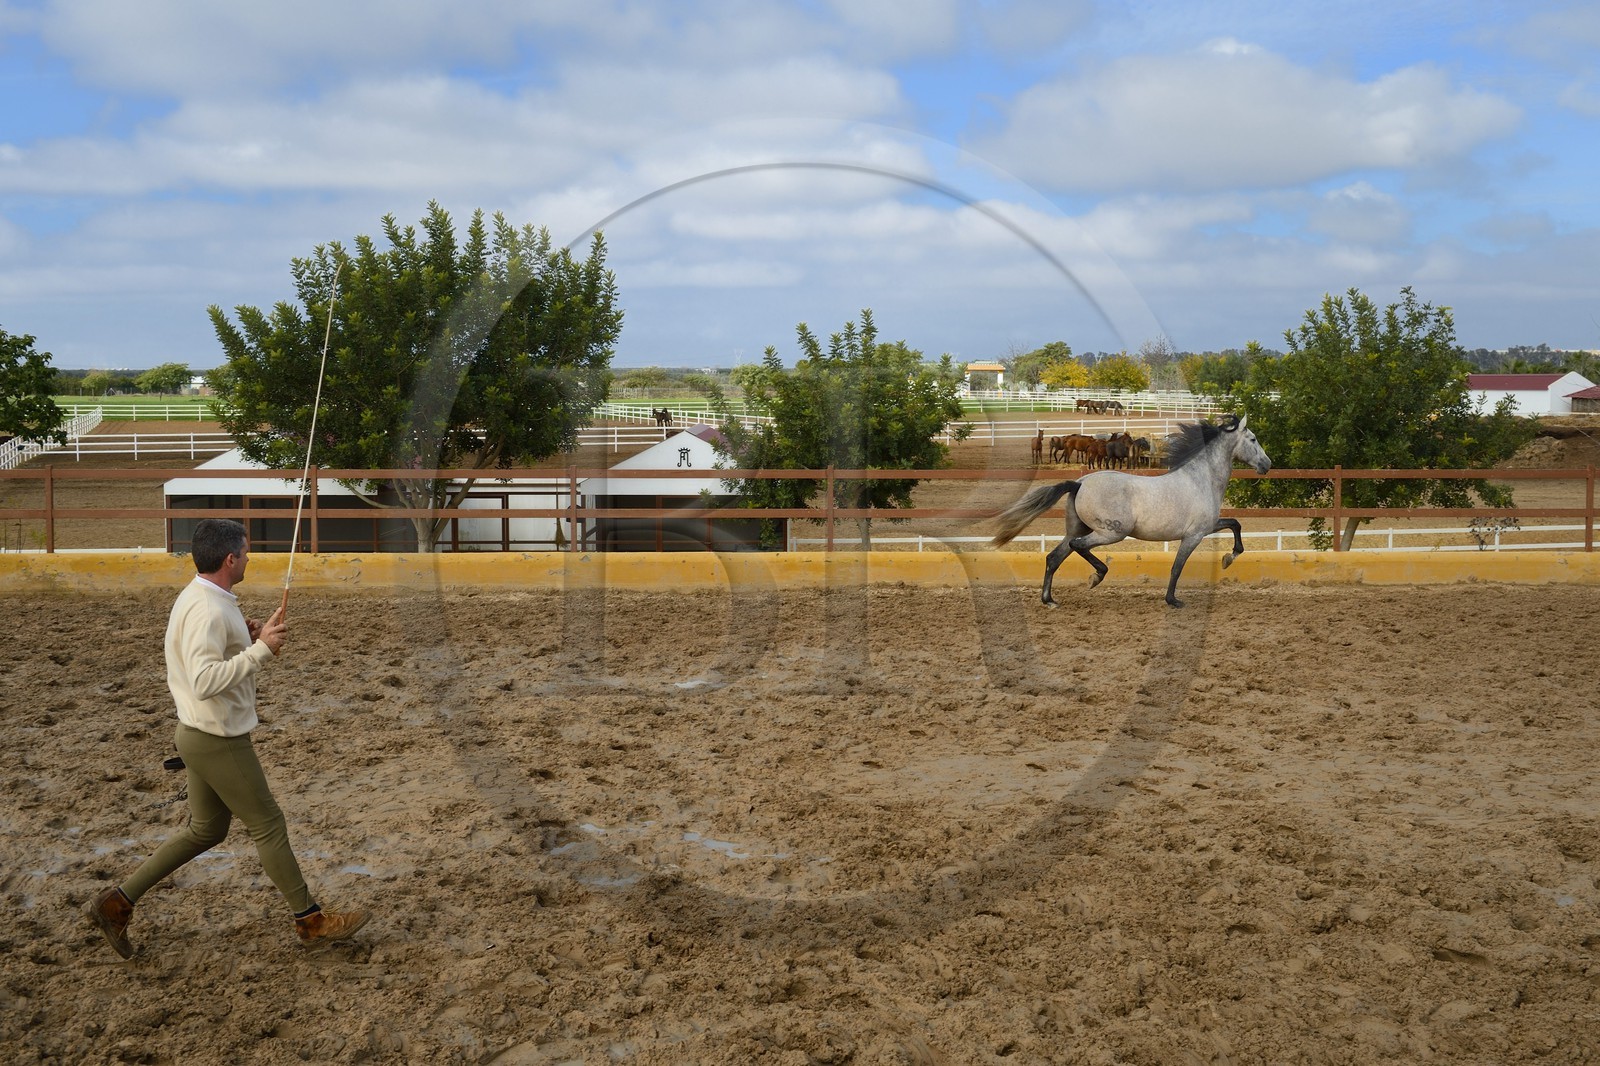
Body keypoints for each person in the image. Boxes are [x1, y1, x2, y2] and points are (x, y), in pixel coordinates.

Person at [89, 518, 369, 956]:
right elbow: (204, 680)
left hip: (196, 733)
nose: (249, 558)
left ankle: (116, 904)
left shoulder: (202, 596)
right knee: (268, 824)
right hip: (216, 738)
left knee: (205, 831)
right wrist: (260, 651)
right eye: (246, 552)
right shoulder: (210, 609)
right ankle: (311, 921)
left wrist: (247, 639)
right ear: (230, 559)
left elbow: (208, 659)